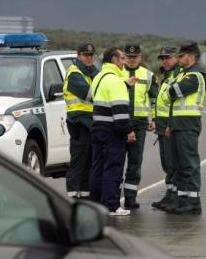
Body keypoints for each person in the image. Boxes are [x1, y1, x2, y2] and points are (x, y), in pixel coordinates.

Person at [161, 42, 206, 214]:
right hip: (178, 123)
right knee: (179, 165)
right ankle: (182, 201)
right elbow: (168, 96)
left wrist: (171, 90)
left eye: (181, 56)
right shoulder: (184, 74)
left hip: (188, 124)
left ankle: (193, 202)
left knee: (189, 164)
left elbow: (171, 92)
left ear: (191, 57)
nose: (178, 59)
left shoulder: (195, 76)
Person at [89, 47, 136, 217]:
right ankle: (111, 205)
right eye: (122, 58)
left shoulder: (99, 77)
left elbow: (91, 98)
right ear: (114, 60)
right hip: (112, 132)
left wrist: (125, 84)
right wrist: (128, 130)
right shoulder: (116, 81)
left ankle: (96, 204)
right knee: (113, 168)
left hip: (97, 128)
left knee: (97, 168)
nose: (125, 61)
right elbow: (121, 113)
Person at [120, 44, 158, 209]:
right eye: (129, 57)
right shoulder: (117, 73)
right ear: (124, 57)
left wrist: (154, 118)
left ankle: (130, 197)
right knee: (117, 160)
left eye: (134, 57)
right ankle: (114, 196)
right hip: (119, 123)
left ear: (140, 57)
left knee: (135, 162)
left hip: (139, 124)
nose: (132, 60)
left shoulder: (148, 75)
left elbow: (155, 99)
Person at [63, 43, 100, 198]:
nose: (89, 58)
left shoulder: (92, 72)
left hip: (91, 121)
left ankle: (85, 194)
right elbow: (89, 94)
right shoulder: (74, 73)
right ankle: (72, 195)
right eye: (85, 55)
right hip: (78, 121)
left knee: (89, 159)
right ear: (78, 56)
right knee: (78, 160)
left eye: (91, 55)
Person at [151, 46, 181, 210]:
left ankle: (174, 198)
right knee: (167, 164)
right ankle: (169, 195)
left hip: (170, 128)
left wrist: (170, 124)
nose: (165, 61)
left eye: (168, 57)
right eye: (163, 58)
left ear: (177, 58)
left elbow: (175, 104)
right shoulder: (167, 76)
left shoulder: (178, 75)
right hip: (162, 128)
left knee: (172, 164)